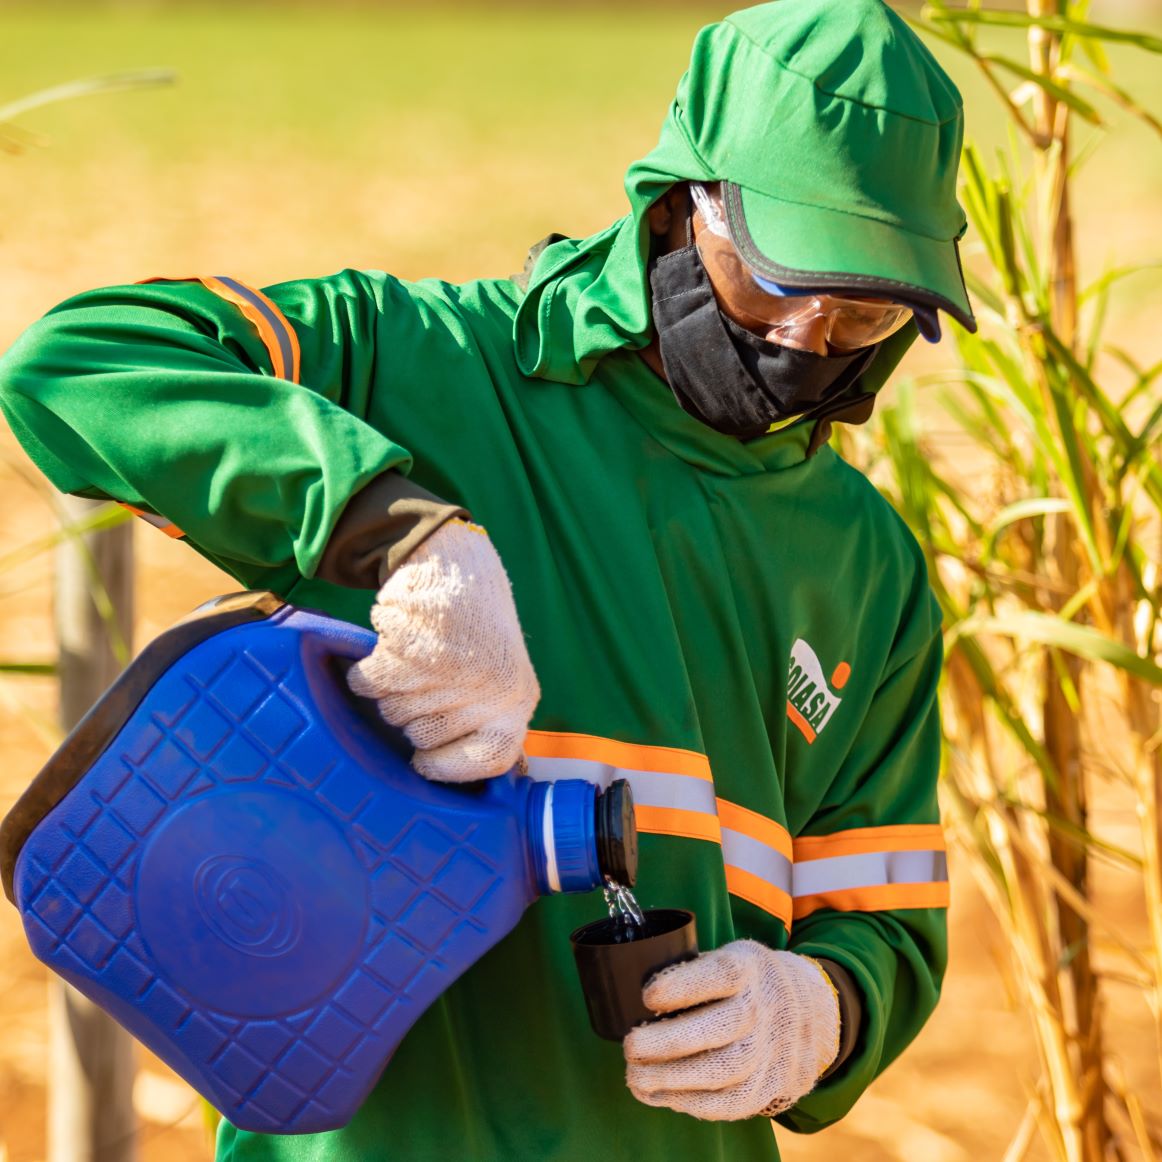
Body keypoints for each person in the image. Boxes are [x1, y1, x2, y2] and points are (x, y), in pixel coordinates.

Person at [0, 0, 973, 1158]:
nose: (809, 339)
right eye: (776, 282)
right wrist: (402, 536)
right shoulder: (418, 364)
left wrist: (818, 1014)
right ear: (681, 202)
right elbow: (79, 364)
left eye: (864, 307)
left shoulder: (873, 572)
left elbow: (885, 919)